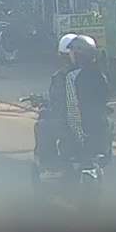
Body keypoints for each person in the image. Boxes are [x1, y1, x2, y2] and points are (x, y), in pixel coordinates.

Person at [63, 34, 111, 162]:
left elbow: (73, 107)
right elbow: (105, 99)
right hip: (101, 127)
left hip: (83, 130)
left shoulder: (72, 77)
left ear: (78, 56)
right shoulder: (101, 75)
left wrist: (80, 135)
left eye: (72, 52)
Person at [34, 33, 78, 166]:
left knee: (42, 126)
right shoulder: (94, 73)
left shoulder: (61, 76)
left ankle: (49, 164)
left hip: (68, 122)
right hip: (92, 122)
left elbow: (57, 100)